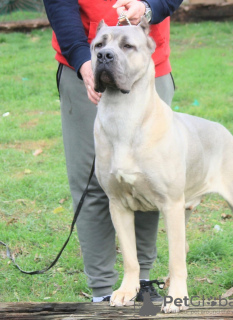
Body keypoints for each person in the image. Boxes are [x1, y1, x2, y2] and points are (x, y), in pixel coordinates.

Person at [43, 0, 183, 303]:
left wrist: (148, 7)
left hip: (146, 64)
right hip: (83, 62)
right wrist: (84, 60)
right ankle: (102, 292)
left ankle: (143, 281)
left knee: (152, 179)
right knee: (93, 184)